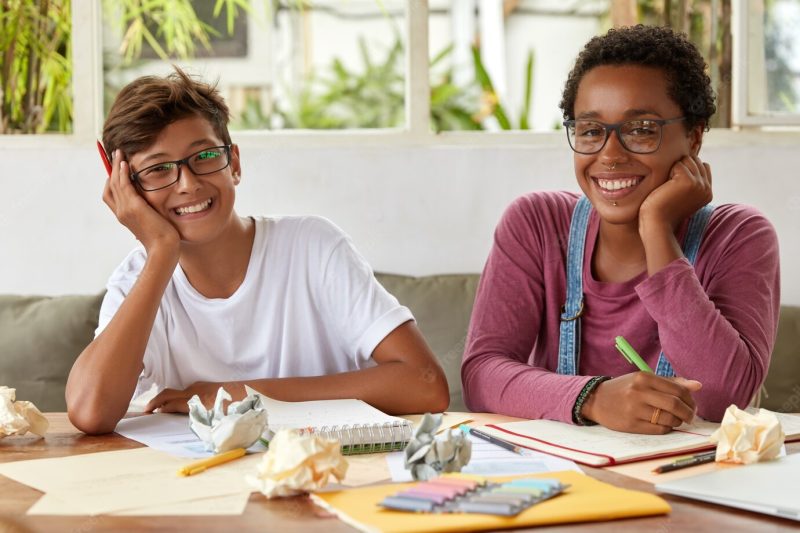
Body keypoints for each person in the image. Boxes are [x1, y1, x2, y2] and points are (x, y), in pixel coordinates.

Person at [66, 68, 449, 435]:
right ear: (125, 190)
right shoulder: (137, 280)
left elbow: (426, 383)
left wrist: (244, 394)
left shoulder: (311, 247)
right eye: (157, 170)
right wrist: (162, 251)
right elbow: (89, 411)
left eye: (204, 157)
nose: (187, 184)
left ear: (233, 163)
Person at [462, 25, 780, 434]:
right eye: (591, 131)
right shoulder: (536, 224)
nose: (610, 155)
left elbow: (722, 399)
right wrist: (592, 398)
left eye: (641, 129)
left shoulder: (740, 237)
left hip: (683, 483)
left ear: (694, 137)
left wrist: (657, 229)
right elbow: (481, 375)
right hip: (559, 479)